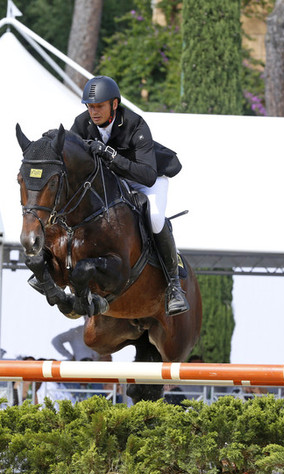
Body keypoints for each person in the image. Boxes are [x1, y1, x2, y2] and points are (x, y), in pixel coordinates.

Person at [70, 75, 189, 316]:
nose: (93, 112)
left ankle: (173, 286)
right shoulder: (82, 124)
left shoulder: (135, 124)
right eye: (90, 107)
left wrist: (109, 154)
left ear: (114, 104)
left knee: (155, 218)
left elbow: (145, 174)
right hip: (113, 181)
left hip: (148, 180)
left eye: (99, 106)